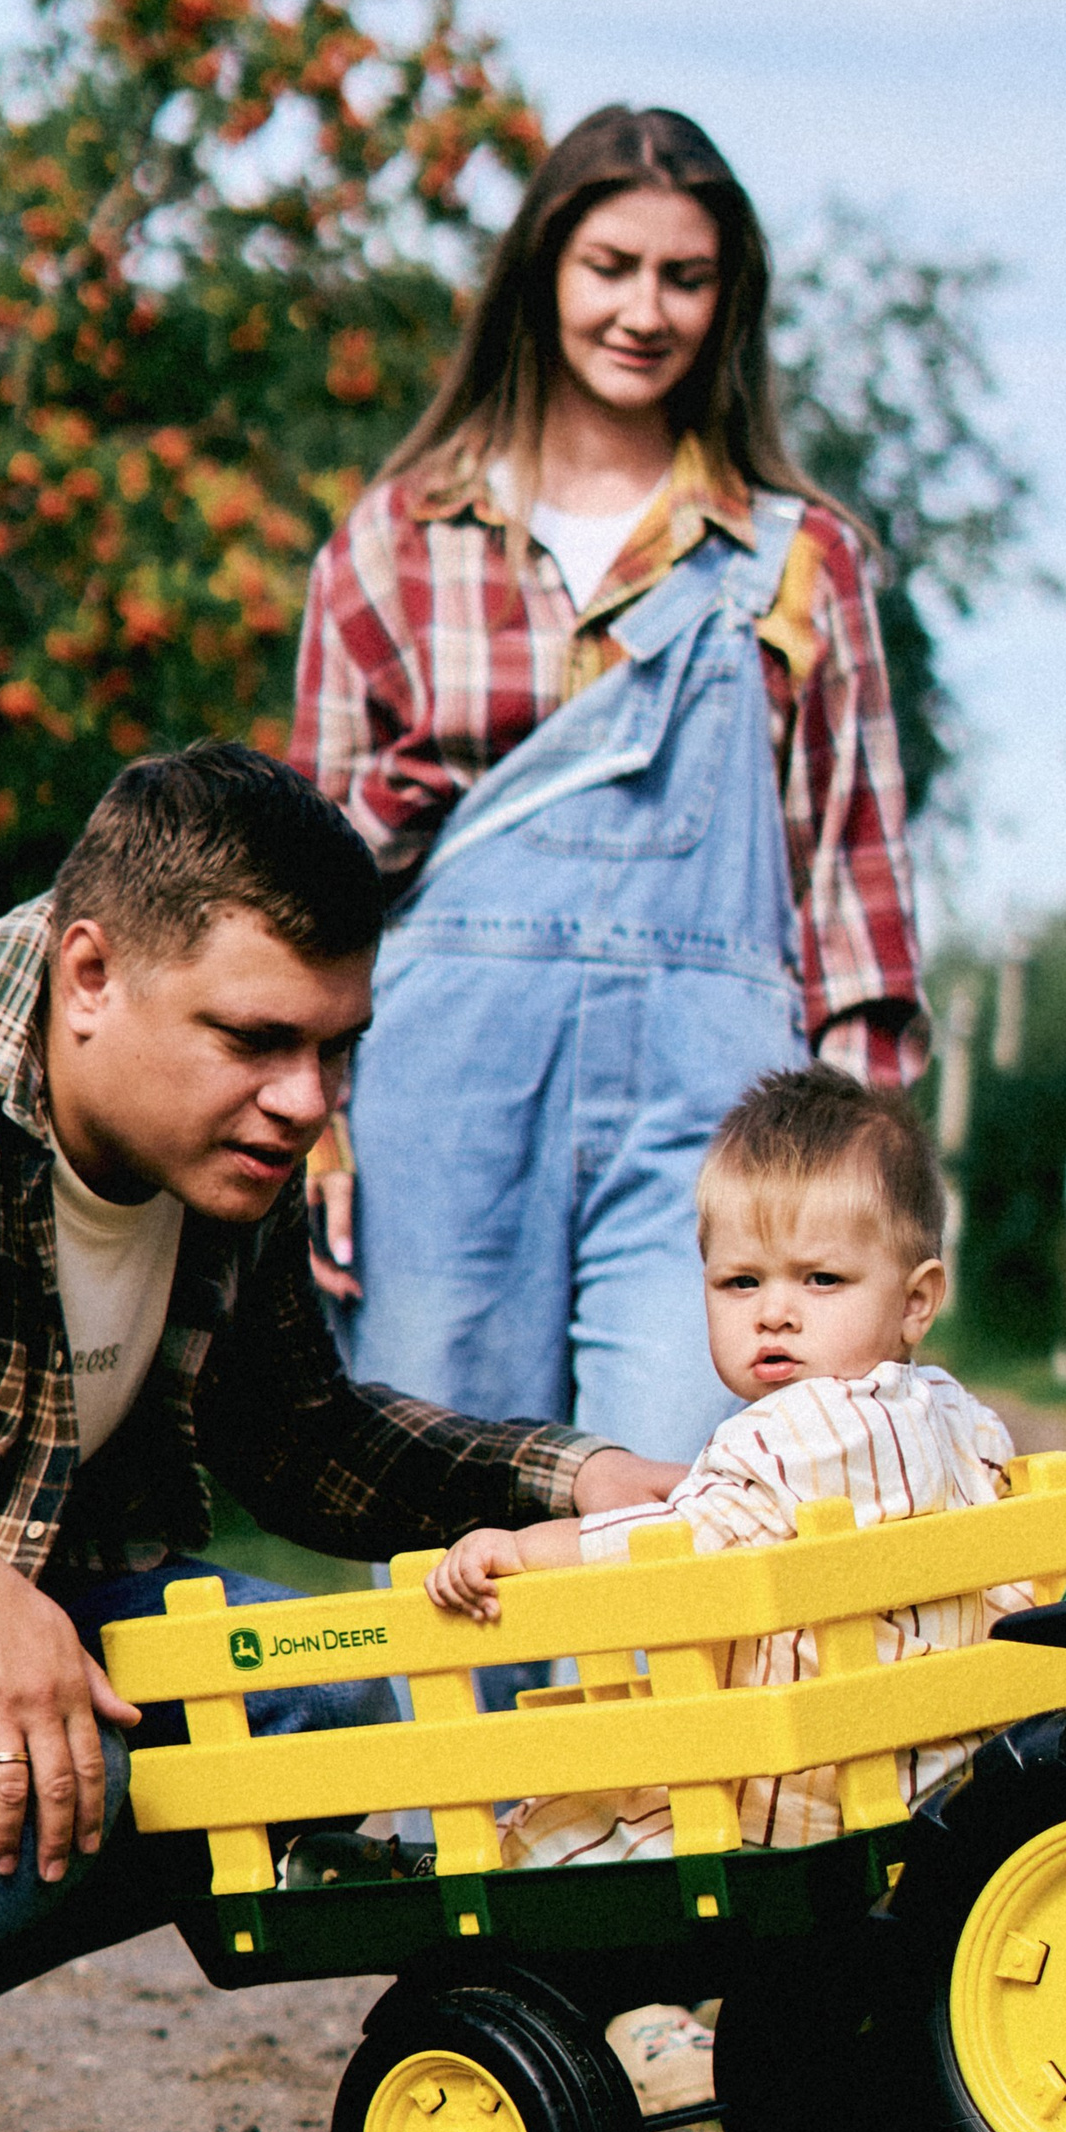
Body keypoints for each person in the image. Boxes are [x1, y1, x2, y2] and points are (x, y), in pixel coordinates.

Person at [0, 745, 678, 2132]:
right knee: (179, 1724)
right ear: (90, 974)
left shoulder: (213, 1145)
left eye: (335, 1048)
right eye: (255, 1038)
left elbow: (302, 1438)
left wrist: (577, 1477)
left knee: (299, 1696)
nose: (306, 1100)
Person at [291, 103, 926, 1465]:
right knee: (448, 1506)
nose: (644, 311)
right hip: (443, 1100)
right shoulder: (395, 544)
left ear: (728, 301)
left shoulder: (799, 561)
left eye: (684, 278)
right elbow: (303, 893)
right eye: (611, 268)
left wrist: (858, 1167)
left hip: (714, 1107)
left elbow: (853, 889)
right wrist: (314, 1128)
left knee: (691, 1506)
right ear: (543, 273)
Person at [426, 1062, 1014, 1908]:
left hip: (786, 1804)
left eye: (821, 1279)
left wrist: (518, 1549)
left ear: (916, 1301)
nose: (774, 1312)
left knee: (544, 1842)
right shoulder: (958, 1417)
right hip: (927, 1780)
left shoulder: (788, 1434)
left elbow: (667, 1551)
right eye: (742, 1281)